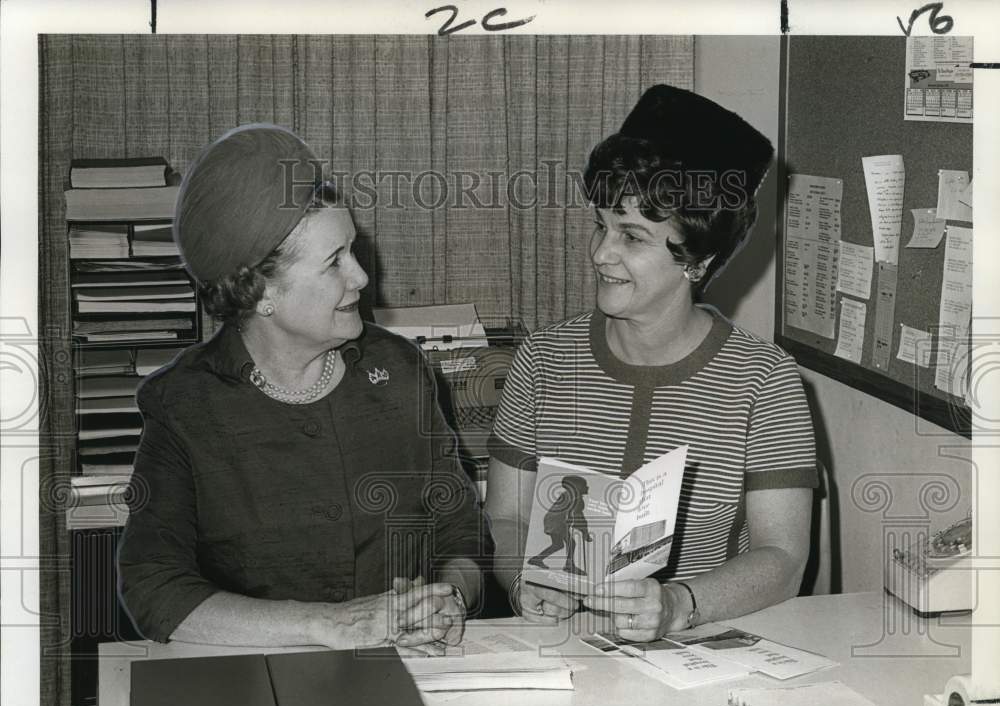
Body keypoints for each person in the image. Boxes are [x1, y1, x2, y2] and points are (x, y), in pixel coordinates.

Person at [117, 124, 492, 651]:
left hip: (413, 664)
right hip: (257, 683)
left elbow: (461, 530)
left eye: (353, 251)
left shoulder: (399, 370)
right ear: (260, 291)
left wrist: (448, 595)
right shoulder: (185, 405)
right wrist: (328, 623)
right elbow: (153, 588)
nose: (360, 277)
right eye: (334, 262)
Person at [486, 85, 818, 642]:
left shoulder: (764, 380)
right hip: (559, 654)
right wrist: (524, 581)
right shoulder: (543, 359)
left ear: (698, 259)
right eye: (601, 225)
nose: (600, 253)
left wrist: (677, 604)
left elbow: (783, 558)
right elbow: (507, 517)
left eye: (632, 236)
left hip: (697, 655)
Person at [527, 475, 593, 576]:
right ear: (576, 487)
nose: (587, 487)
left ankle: (536, 559)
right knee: (571, 543)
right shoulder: (576, 498)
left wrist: (584, 531)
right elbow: (576, 516)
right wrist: (584, 532)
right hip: (558, 522)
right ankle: (569, 566)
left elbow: (579, 517)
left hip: (553, 519)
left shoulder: (569, 495)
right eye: (584, 485)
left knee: (558, 544)